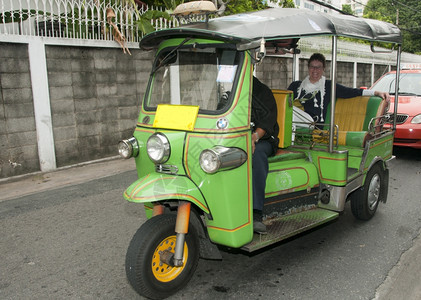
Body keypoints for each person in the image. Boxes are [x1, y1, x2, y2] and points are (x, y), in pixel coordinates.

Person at [288, 53, 390, 124]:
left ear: (323, 69)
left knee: (290, 114)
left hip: (312, 124)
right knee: (287, 112)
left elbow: (350, 92)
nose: (315, 70)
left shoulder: (328, 86)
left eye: (318, 67)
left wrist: (375, 92)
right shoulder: (295, 86)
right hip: (293, 122)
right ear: (308, 68)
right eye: (312, 67)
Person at [251, 76, 279, 234]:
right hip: (237, 136)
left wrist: (254, 137)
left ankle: (256, 212)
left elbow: (268, 122)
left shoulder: (262, 92)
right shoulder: (229, 89)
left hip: (264, 139)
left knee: (257, 153)